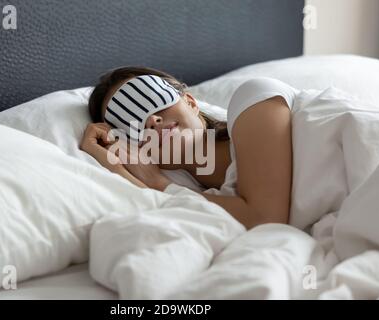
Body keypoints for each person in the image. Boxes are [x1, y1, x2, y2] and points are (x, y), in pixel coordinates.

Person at [81, 66, 298, 229]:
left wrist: (158, 183)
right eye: (130, 124)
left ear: (191, 103)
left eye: (152, 99)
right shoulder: (211, 200)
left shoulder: (254, 100)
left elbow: (265, 219)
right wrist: (120, 170)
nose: (152, 120)